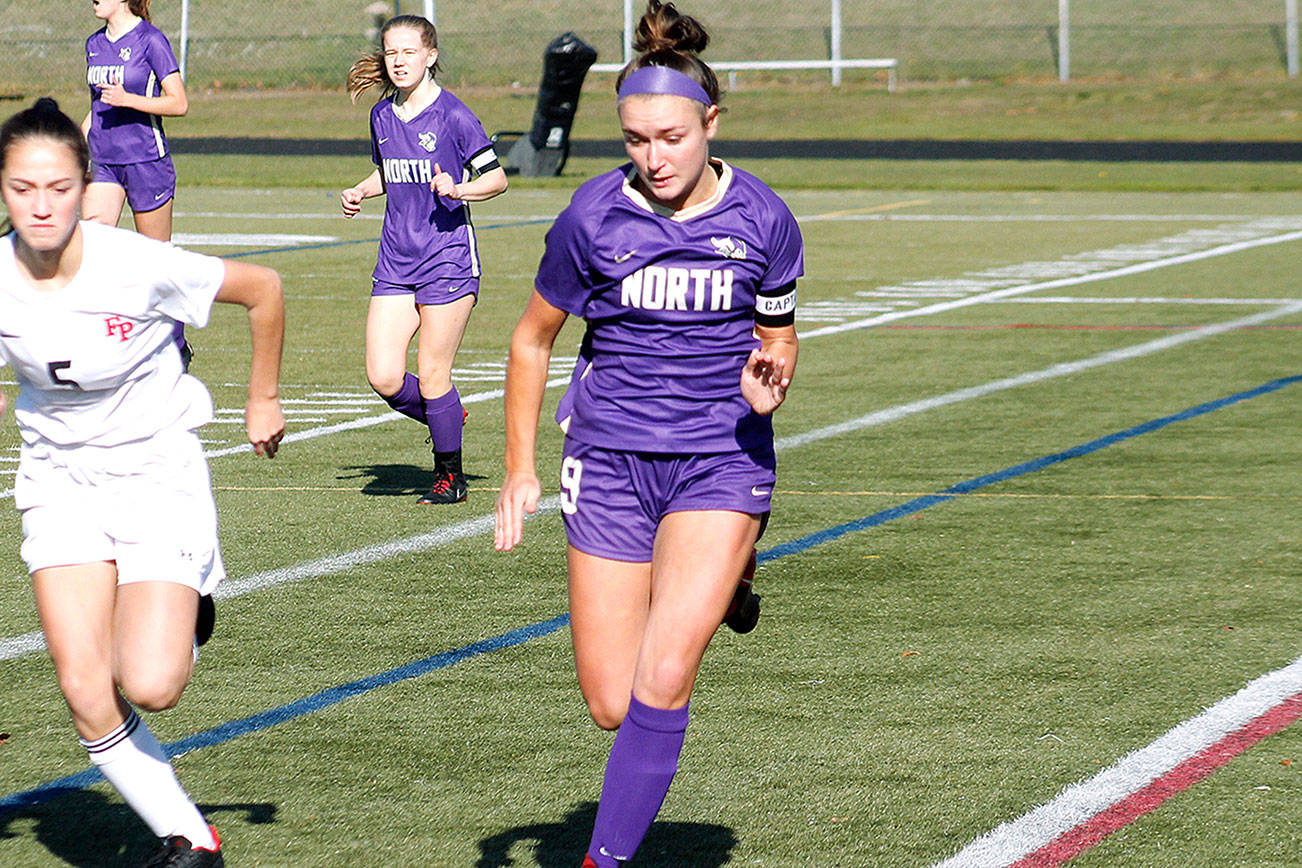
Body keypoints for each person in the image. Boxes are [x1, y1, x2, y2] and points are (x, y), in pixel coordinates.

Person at [493, 2, 802, 865]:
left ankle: (605, 858)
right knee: (612, 703)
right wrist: (519, 466)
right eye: (634, 139)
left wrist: (771, 376)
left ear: (711, 123)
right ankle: (734, 577)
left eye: (670, 136)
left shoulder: (765, 220)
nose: (653, 157)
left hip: (719, 458)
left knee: (666, 675)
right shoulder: (592, 218)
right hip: (610, 461)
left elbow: (778, 334)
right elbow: (531, 338)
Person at [0, 97, 285, 868]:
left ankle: (188, 614)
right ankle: (191, 839)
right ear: (2, 189)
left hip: (155, 469)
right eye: (23, 188)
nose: (41, 204)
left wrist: (263, 398)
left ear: (84, 185)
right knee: (84, 683)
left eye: (58, 186)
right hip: (59, 480)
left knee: (149, 683)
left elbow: (264, 289)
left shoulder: (134, 262)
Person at [341, 14, 508, 504]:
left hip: (448, 260)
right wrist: (361, 191)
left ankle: (448, 475)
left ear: (430, 56)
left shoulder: (455, 116)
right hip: (395, 260)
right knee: (384, 375)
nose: (398, 61)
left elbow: (495, 179)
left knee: (434, 371)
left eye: (409, 52)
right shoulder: (382, 116)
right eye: (391, 52)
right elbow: (391, 175)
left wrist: (459, 188)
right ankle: (446, 414)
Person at [82, 0, 193, 368]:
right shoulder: (94, 44)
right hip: (104, 162)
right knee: (91, 253)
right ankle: (99, 347)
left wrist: (130, 100)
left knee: (155, 265)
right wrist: (74, 149)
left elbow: (179, 103)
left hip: (146, 161)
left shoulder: (151, 40)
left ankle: (176, 344)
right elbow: (97, 107)